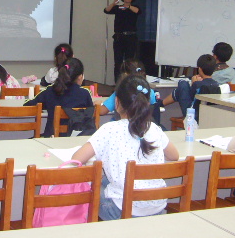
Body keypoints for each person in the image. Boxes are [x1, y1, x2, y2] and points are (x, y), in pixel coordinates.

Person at [72, 75, 179, 220]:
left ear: (117, 102)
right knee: (106, 180)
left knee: (92, 186)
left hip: (120, 211)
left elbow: (76, 159)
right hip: (157, 208)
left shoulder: (109, 129)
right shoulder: (153, 128)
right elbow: (174, 156)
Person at [24, 57, 93, 137]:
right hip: (75, 139)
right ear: (80, 77)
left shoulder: (49, 91)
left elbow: (28, 106)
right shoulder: (84, 94)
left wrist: (46, 106)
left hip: (51, 139)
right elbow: (89, 117)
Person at [159, 54, 220, 120]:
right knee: (180, 90)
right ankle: (160, 104)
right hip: (207, 114)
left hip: (192, 114)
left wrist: (194, 83)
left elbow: (190, 96)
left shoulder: (198, 85)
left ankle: (159, 104)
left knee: (183, 84)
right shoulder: (216, 84)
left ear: (199, 69)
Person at [104, 0, 141, 82]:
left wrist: (127, 6)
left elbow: (138, 11)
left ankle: (129, 83)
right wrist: (114, 3)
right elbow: (106, 10)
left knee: (130, 62)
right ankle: (117, 84)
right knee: (118, 62)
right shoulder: (118, 8)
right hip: (119, 38)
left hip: (131, 38)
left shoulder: (134, 8)